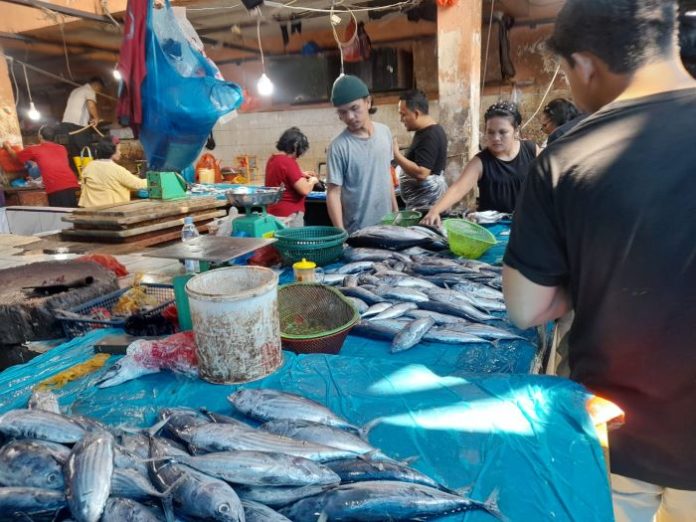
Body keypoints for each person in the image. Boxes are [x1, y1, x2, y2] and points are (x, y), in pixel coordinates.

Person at [502, 1, 696, 520]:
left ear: (584, 65)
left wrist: (589, 278)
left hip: (616, 433)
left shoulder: (568, 155)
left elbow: (525, 308)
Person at [421, 101, 539, 227]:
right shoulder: (480, 162)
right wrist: (435, 210)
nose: (496, 138)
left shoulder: (532, 151)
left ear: (516, 130)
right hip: (493, 229)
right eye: (491, 132)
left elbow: (551, 179)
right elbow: (458, 189)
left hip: (527, 224)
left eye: (503, 132)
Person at [326, 74, 398, 233]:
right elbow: (333, 192)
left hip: (388, 227)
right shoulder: (338, 146)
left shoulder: (385, 132)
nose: (350, 117)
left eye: (354, 108)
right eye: (343, 112)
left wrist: (396, 213)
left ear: (368, 102)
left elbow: (387, 174)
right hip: (358, 232)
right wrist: (341, 232)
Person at [392, 89, 448, 210]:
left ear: (416, 114)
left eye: (403, 114)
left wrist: (396, 154)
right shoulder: (423, 132)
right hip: (420, 204)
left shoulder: (430, 135)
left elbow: (422, 173)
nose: (401, 119)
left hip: (427, 208)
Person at [2, 124, 79, 207]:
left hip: (56, 186)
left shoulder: (34, 149)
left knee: (60, 215)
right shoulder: (62, 148)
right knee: (71, 211)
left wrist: (8, 147)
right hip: (71, 183)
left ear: (40, 136)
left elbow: (16, 157)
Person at [264, 127, 319, 219]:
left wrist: (300, 174)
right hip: (289, 216)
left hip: (273, 213)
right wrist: (313, 180)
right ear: (295, 145)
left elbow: (282, 177)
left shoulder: (273, 159)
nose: (298, 156)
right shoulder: (288, 162)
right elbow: (304, 190)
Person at [78, 137, 147, 207]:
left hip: (89, 208)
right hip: (110, 210)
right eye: (119, 150)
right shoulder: (116, 169)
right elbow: (138, 184)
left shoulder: (89, 166)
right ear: (112, 152)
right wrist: (155, 178)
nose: (120, 153)